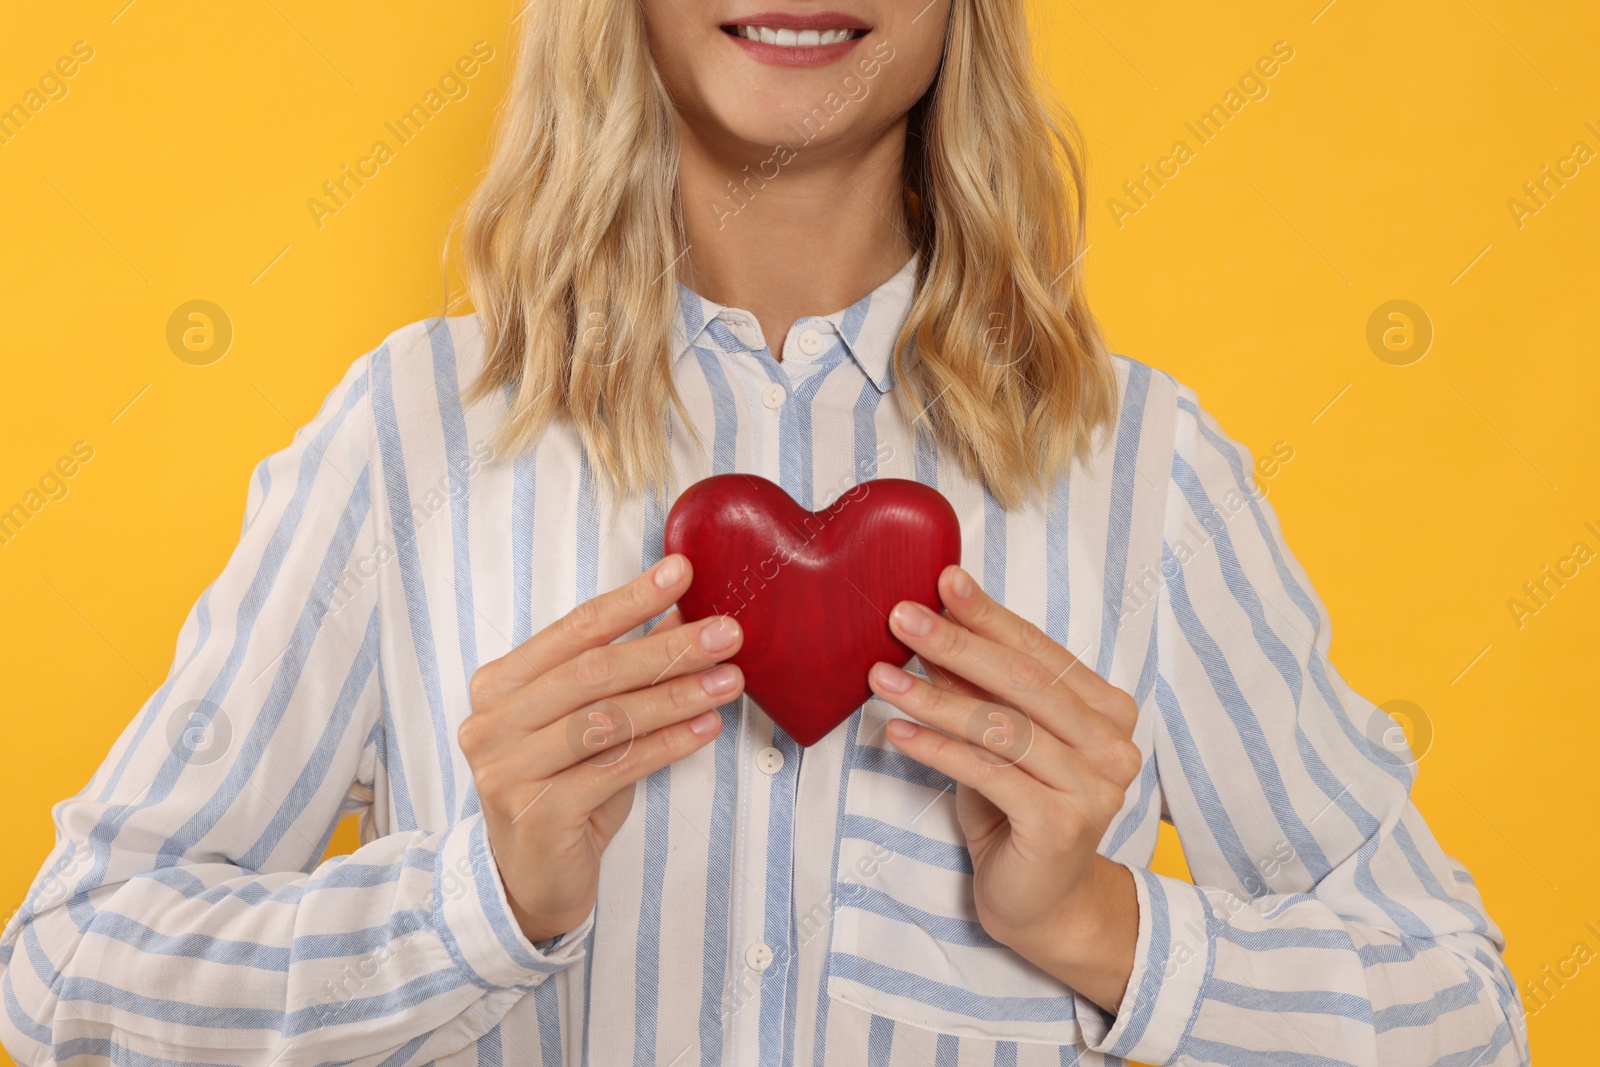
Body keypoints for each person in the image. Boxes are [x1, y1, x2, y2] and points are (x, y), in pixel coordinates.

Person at [0, 0, 1528, 1064]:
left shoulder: (1144, 477)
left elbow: (1469, 1021)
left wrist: (1099, 923)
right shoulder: (412, 440)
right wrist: (482, 900)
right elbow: (64, 979)